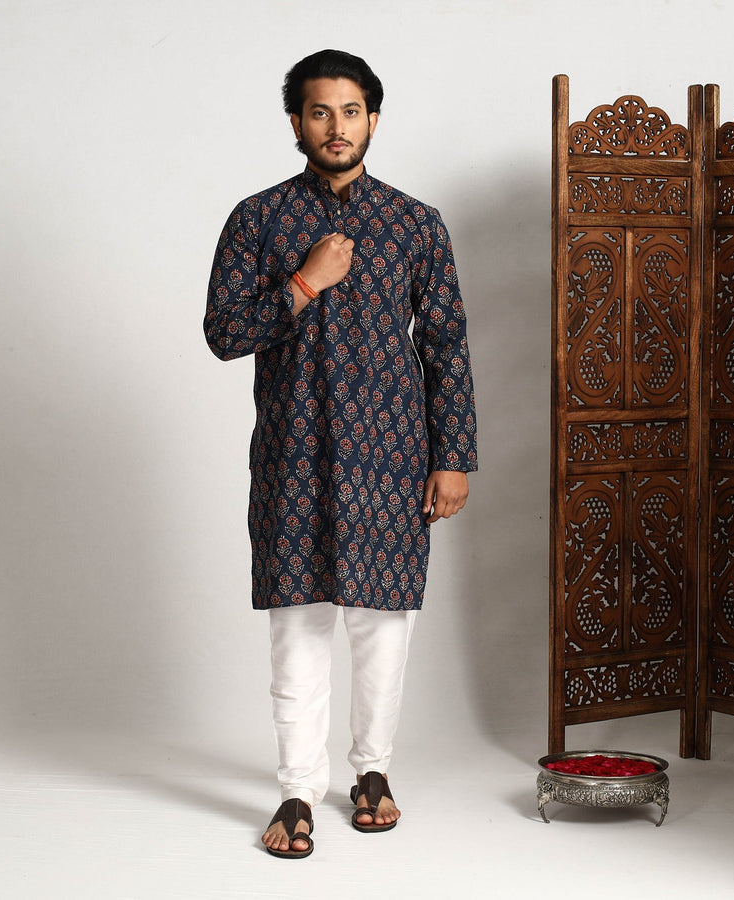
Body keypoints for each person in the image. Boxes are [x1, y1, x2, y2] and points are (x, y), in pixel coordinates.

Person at [204, 48, 477, 859]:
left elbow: (446, 344)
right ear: (296, 121)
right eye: (320, 111)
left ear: (373, 120)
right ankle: (296, 790)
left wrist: (453, 455)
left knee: (383, 625)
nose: (336, 127)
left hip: (393, 454)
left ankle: (372, 773)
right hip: (294, 452)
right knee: (297, 625)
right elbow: (224, 333)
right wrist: (303, 283)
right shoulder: (258, 220)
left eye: (350, 111)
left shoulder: (416, 223)